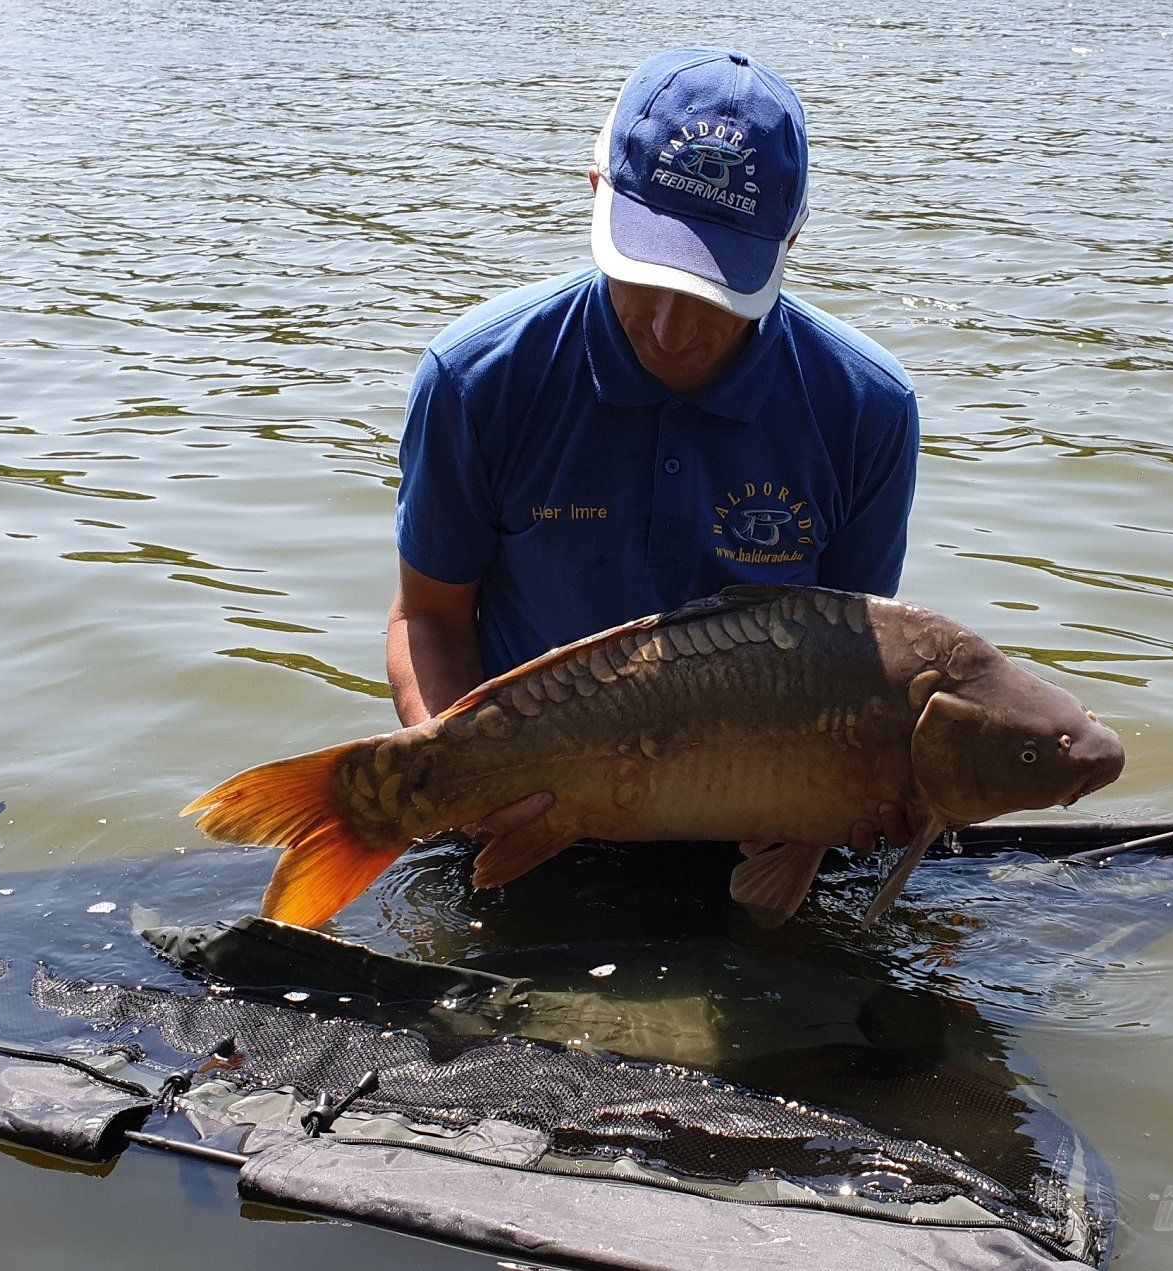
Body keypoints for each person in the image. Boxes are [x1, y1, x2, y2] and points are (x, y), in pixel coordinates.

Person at [387, 47, 921, 851]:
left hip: (741, 826)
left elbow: (846, 678)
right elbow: (428, 619)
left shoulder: (868, 410)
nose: (672, 332)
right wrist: (466, 788)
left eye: (714, 292)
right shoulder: (476, 379)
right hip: (527, 811)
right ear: (597, 192)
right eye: (646, 275)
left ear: (792, 241)